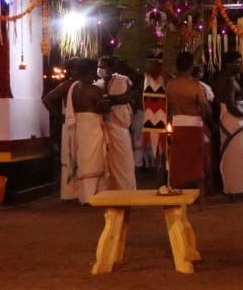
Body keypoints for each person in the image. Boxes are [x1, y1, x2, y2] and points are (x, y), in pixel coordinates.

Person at [42, 57, 107, 203]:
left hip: (72, 123)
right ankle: (82, 194)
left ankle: (73, 193)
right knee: (82, 158)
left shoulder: (71, 85)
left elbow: (47, 99)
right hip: (80, 124)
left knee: (73, 157)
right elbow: (47, 99)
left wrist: (59, 117)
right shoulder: (81, 87)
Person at [164, 51, 212, 195]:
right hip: (193, 126)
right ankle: (201, 202)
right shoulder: (195, 86)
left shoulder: (170, 85)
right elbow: (206, 109)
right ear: (191, 67)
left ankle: (177, 195)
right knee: (198, 163)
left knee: (178, 162)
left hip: (176, 125)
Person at [214, 50, 243, 198]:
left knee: (235, 155)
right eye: (237, 63)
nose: (240, 65)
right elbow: (231, 104)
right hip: (233, 120)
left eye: (240, 62)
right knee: (234, 155)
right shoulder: (229, 80)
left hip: (230, 119)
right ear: (228, 65)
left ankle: (235, 188)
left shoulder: (224, 78)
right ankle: (235, 189)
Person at [98, 55, 137, 192]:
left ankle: (127, 190)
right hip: (104, 127)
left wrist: (109, 99)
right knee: (107, 162)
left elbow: (127, 97)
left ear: (111, 68)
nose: (100, 69)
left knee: (124, 159)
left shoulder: (122, 80)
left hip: (119, 125)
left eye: (102, 66)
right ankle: (110, 190)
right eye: (99, 66)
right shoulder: (98, 83)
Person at [140, 51, 169, 176]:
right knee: (154, 143)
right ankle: (157, 170)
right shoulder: (145, 77)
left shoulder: (166, 76)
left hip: (163, 114)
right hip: (150, 115)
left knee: (164, 145)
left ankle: (163, 170)